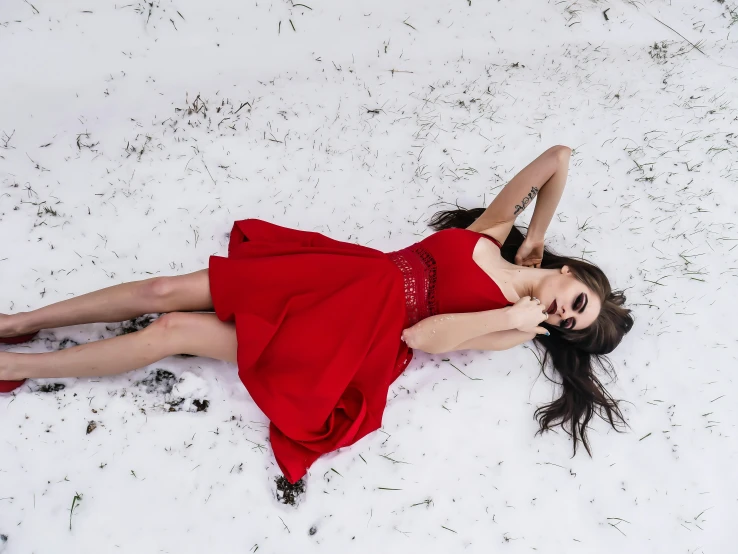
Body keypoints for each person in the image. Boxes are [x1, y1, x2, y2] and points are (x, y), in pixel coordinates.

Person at [0, 145, 633, 484]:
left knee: (172, 332)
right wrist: (535, 238)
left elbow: (425, 336)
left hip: (354, 337)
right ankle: (18, 319)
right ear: (571, 275)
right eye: (576, 300)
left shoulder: (511, 328)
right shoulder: (495, 232)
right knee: (165, 291)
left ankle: (15, 361)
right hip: (341, 279)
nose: (561, 312)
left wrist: (519, 324)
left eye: (568, 324)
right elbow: (558, 157)